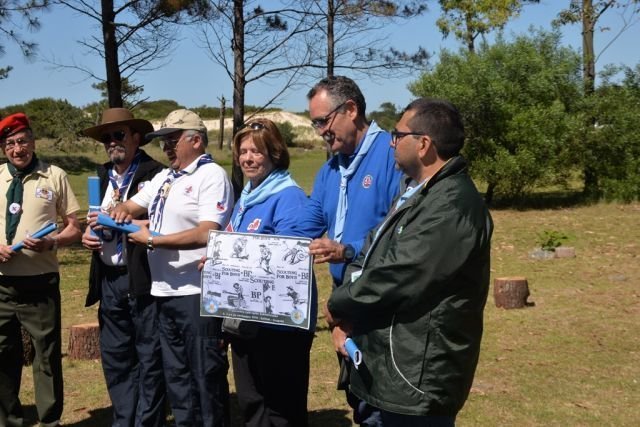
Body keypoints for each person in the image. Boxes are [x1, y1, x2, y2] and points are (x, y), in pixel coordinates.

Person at [326, 98, 494, 426]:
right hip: (388, 364)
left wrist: (339, 303)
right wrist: (348, 311)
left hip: (416, 376)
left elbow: (398, 274)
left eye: (398, 135)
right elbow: (371, 252)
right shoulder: (416, 190)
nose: (392, 142)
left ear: (423, 144)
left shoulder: (451, 206)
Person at [110, 109, 233, 427]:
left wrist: (154, 240)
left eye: (172, 140)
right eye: (163, 141)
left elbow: (208, 233)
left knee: (205, 378)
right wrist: (120, 210)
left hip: (197, 292)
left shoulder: (211, 176)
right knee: (177, 379)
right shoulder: (165, 177)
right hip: (163, 292)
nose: (166, 147)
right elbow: (131, 205)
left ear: (196, 140)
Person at [296, 75, 402, 426]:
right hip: (344, 299)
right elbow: (305, 226)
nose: (320, 132)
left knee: (384, 405)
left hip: (382, 301)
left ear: (351, 109)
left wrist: (347, 250)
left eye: (323, 121)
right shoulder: (330, 170)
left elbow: (399, 235)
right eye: (315, 124)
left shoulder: (391, 156)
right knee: (360, 398)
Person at [224, 119, 314, 427]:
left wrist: (231, 263)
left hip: (280, 326)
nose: (247, 159)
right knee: (252, 403)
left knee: (280, 410)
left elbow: (289, 261)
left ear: (275, 154)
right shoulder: (247, 197)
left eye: (256, 152)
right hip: (246, 318)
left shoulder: (289, 197)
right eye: (243, 152)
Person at [81, 108, 166, 426]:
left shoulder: (156, 175)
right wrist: (87, 234)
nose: (112, 142)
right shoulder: (102, 176)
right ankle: (124, 419)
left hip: (143, 277)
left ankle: (147, 421)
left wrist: (124, 222)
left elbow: (164, 225)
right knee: (116, 356)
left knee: (148, 355)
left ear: (136, 137)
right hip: (109, 279)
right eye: (106, 138)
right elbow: (94, 219)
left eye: (118, 135)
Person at [0, 113, 82, 427]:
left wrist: (52, 241)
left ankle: (50, 421)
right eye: (10, 143)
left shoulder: (54, 175)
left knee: (46, 355)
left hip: (40, 282)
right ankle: (8, 420)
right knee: (2, 355)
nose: (17, 149)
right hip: (2, 284)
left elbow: (73, 227)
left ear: (33, 142)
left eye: (22, 141)